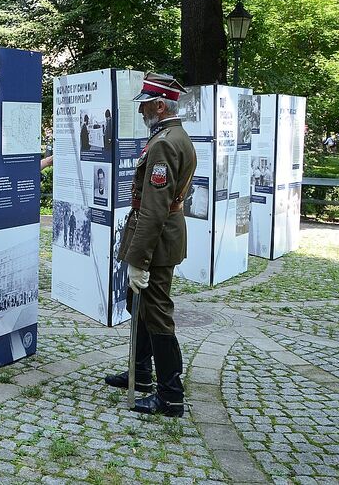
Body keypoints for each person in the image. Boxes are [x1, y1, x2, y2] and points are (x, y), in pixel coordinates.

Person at [105, 72, 196, 418]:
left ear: (159, 105)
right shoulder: (174, 136)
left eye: (145, 104)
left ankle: (170, 395)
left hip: (157, 242)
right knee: (137, 304)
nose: (141, 110)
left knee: (157, 313)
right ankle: (141, 372)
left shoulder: (163, 143)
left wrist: (139, 260)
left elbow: (155, 208)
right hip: (160, 237)